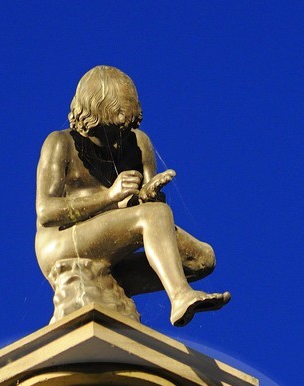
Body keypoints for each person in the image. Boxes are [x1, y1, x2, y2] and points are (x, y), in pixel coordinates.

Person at [35, 66, 231, 328]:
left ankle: (109, 278)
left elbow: (152, 212)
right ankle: (180, 296)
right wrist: (109, 197)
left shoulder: (138, 143)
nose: (118, 141)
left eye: (124, 130)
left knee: (201, 259)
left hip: (111, 241)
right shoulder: (60, 143)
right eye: (111, 130)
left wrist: (149, 195)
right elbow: (46, 212)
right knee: (154, 216)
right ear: (92, 117)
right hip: (59, 244)